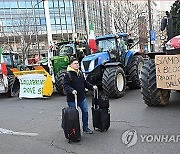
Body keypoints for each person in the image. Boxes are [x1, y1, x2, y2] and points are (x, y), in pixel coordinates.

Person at [63, 58, 97, 134]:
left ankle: (85, 128)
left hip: (82, 98)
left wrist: (92, 87)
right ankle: (73, 129)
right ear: (71, 65)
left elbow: (85, 83)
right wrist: (72, 90)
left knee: (85, 112)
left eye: (77, 63)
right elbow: (66, 86)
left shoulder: (80, 73)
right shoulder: (68, 75)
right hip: (72, 99)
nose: (77, 65)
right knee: (73, 115)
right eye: (75, 63)